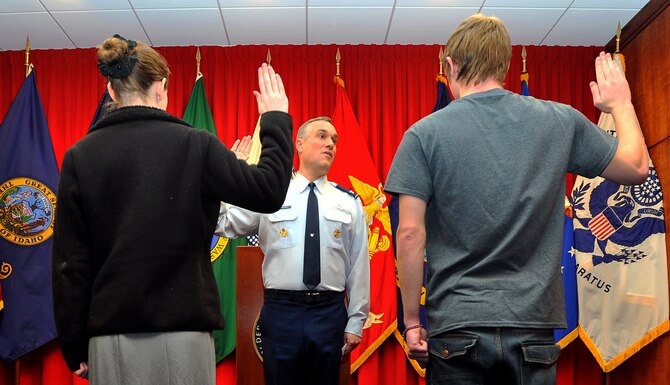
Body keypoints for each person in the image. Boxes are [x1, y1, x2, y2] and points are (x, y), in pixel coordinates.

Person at [385, 14, 648, 385]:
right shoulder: (559, 120)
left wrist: (412, 322)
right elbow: (637, 167)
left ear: (451, 65)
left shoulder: (422, 135)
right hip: (533, 329)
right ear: (505, 66)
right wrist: (621, 103)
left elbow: (410, 233)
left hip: (456, 326)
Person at [52, 34, 294, 385]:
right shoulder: (195, 144)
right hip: (185, 334)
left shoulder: (79, 156)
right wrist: (274, 118)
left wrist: (74, 346)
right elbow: (269, 190)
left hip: (110, 335)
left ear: (111, 91)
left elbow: (69, 265)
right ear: (161, 87)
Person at [216, 116, 370, 385]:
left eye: (334, 140)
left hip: (329, 312)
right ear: (298, 144)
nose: (330, 144)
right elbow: (223, 223)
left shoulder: (349, 202)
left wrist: (356, 321)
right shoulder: (271, 193)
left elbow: (358, 265)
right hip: (281, 311)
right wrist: (226, 180)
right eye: (322, 136)